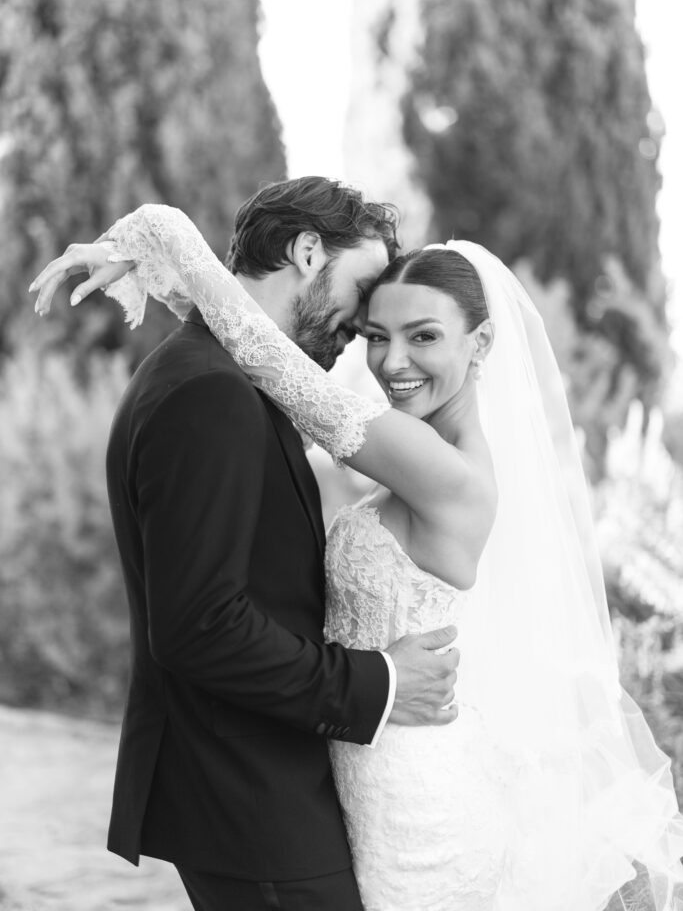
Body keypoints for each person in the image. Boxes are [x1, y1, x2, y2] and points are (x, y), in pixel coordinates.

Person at [32, 201, 683, 910]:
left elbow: (264, 351)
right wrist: (169, 277)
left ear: (481, 343)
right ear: (309, 253)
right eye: (374, 330)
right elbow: (247, 347)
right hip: (348, 774)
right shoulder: (400, 455)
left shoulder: (446, 471)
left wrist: (158, 233)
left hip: (412, 789)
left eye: (423, 335)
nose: (387, 359)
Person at [30, 179, 461, 911]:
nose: (361, 326)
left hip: (263, 787)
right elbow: (200, 625)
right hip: (249, 797)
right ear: (304, 251)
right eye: (360, 291)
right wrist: (379, 683)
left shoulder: (217, 373)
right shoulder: (211, 392)